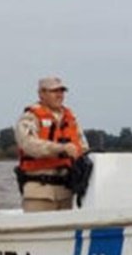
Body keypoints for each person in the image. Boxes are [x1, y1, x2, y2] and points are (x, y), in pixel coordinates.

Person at [14, 76, 86, 212]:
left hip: (66, 192)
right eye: (54, 91)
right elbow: (28, 144)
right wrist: (60, 148)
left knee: (66, 231)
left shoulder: (71, 118)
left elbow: (83, 146)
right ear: (41, 93)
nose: (59, 95)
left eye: (62, 91)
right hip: (39, 192)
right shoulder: (30, 117)